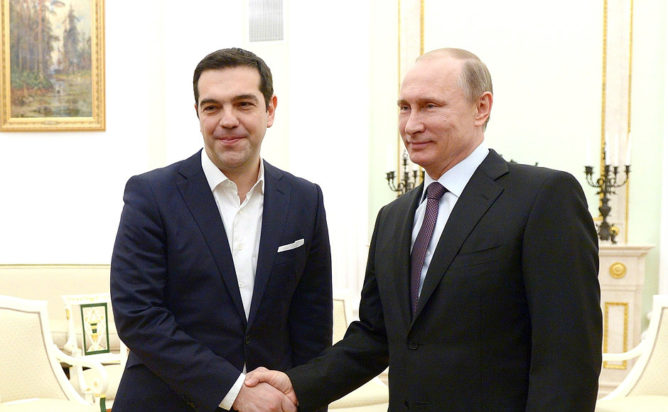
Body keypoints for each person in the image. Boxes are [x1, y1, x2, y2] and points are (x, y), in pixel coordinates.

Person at [246, 48, 602, 411]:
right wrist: (298, 385)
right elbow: (376, 337)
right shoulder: (393, 218)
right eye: (405, 108)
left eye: (430, 106)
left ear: (481, 108)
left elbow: (568, 356)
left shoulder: (543, 197)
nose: (411, 125)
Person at [110, 47, 332, 412]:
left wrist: (306, 399)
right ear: (198, 114)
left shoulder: (305, 199)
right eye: (212, 107)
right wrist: (234, 391)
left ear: (270, 109)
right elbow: (139, 315)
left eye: (244, 104)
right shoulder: (151, 195)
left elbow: (312, 324)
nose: (228, 120)